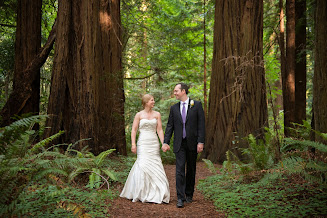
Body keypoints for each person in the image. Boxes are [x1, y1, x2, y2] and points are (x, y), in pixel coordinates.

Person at [120, 94, 170, 204]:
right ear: (146, 102)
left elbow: (160, 130)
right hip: (143, 142)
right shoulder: (139, 115)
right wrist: (133, 144)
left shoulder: (157, 114)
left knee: (155, 164)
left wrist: (163, 143)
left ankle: (157, 192)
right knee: (142, 164)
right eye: (152, 100)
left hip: (153, 143)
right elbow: (134, 130)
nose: (153, 101)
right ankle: (140, 192)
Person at [163, 83, 205, 208]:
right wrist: (166, 141)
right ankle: (180, 198)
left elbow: (201, 125)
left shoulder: (196, 105)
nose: (174, 93)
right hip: (179, 143)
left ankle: (189, 194)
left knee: (191, 169)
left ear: (183, 91)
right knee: (179, 170)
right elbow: (170, 126)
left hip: (193, 142)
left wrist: (201, 141)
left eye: (176, 91)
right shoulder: (174, 108)